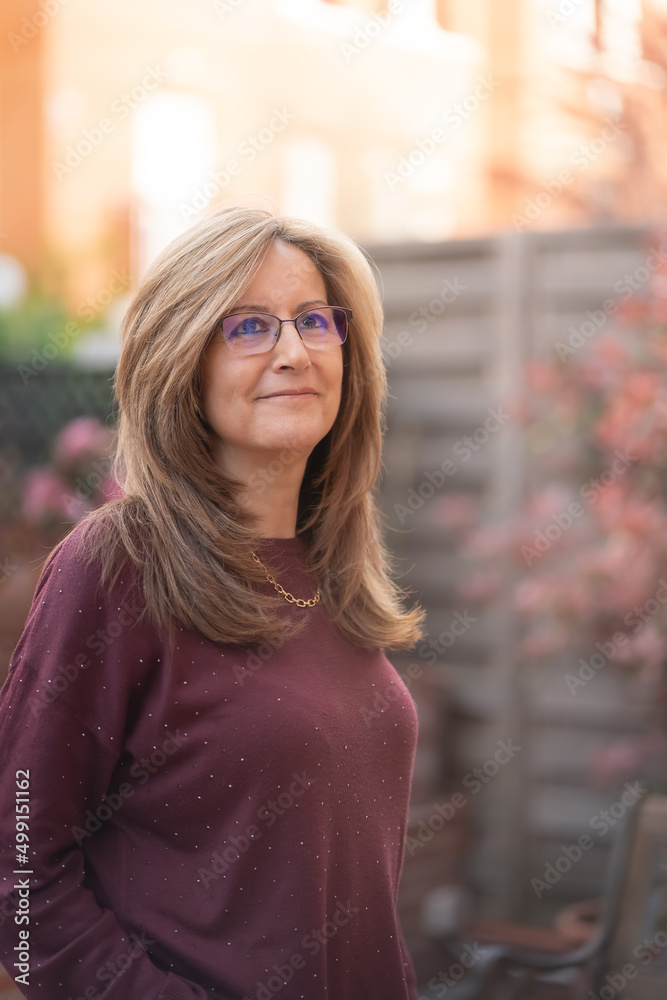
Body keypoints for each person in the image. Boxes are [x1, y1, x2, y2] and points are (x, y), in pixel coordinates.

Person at [0, 206, 427, 999]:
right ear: (181, 363)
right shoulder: (118, 565)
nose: (293, 351)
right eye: (249, 327)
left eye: (314, 321)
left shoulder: (333, 568)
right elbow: (16, 868)